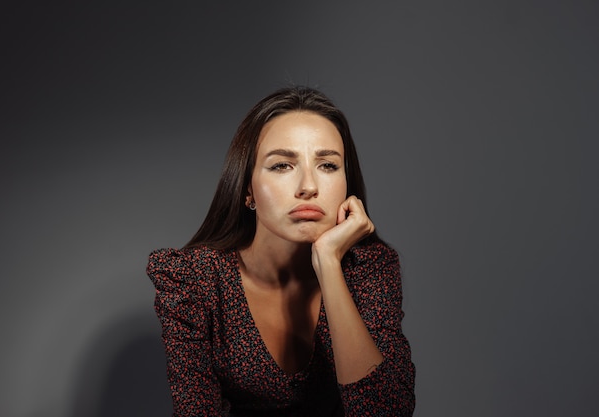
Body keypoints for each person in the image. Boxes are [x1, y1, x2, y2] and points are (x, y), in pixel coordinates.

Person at [147, 86, 416, 416]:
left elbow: (384, 412)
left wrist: (329, 265)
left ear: (348, 183)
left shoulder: (368, 269)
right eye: (282, 166)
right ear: (248, 189)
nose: (308, 186)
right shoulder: (195, 280)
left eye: (328, 165)